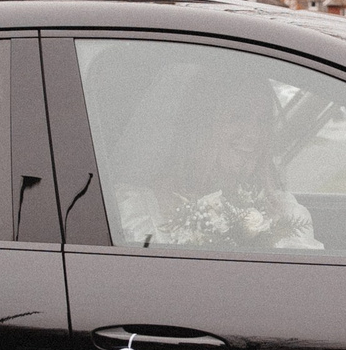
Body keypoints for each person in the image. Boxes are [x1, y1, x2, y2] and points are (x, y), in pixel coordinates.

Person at [109, 65, 321, 251]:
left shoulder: (285, 214)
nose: (254, 133)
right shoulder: (138, 211)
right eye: (238, 116)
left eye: (263, 121)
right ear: (202, 125)